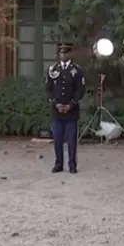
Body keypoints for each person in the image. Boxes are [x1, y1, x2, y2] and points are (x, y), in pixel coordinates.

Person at [45, 42, 85, 174]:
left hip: (71, 112)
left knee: (71, 140)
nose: (63, 55)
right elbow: (48, 90)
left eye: (66, 53)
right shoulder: (53, 70)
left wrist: (71, 104)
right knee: (57, 139)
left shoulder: (77, 70)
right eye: (61, 53)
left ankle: (72, 164)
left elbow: (80, 90)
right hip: (57, 111)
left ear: (70, 54)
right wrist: (55, 103)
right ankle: (58, 164)